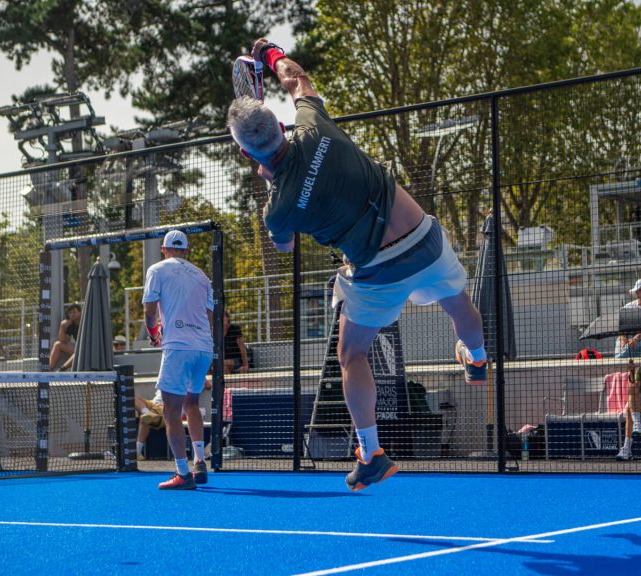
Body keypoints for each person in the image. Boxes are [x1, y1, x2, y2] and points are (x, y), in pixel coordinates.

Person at [228, 39, 487, 490]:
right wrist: (270, 53)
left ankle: (371, 454)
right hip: (422, 238)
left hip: (376, 271)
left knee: (352, 355)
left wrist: (272, 184)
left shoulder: (278, 209)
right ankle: (479, 359)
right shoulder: (313, 123)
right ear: (283, 128)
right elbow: (296, 77)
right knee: (456, 300)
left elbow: (284, 244)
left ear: (250, 154)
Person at [143, 230, 213, 490]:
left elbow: (150, 312)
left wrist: (154, 334)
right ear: (186, 250)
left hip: (178, 347)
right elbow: (208, 314)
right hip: (204, 348)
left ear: (164, 249)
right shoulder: (202, 276)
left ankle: (183, 474)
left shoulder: (157, 270)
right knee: (191, 403)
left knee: (171, 411)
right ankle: (199, 461)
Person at [49, 304, 81, 370]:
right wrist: (62, 326)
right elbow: (63, 340)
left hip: (88, 349)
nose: (72, 314)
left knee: (78, 351)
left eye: (74, 312)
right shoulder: (71, 325)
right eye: (70, 313)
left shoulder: (85, 322)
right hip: (78, 347)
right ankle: (50, 370)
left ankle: (61, 369)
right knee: (57, 344)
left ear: (80, 312)